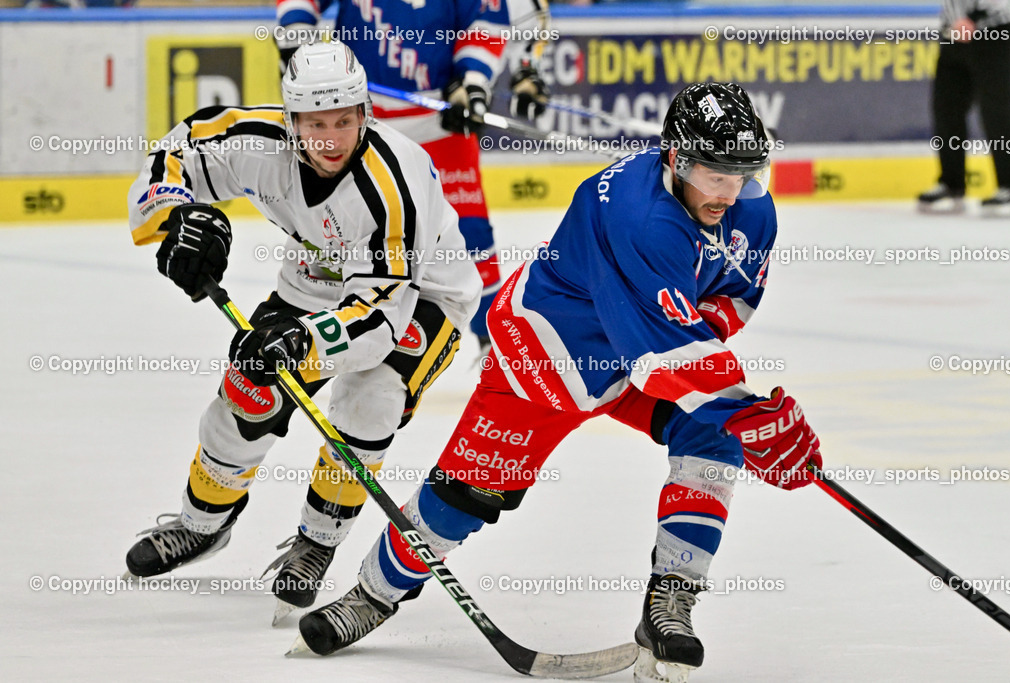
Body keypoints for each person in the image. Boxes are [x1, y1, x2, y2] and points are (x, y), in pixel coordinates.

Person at [289, 82, 823, 683]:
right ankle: (372, 595)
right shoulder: (639, 216)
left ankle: (670, 601)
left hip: (641, 356)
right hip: (548, 357)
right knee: (464, 497)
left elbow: (730, 302)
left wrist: (737, 413)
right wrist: (746, 412)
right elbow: (665, 351)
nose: (728, 193)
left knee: (714, 435)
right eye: (714, 175)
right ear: (675, 159)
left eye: (743, 175)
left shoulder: (752, 210)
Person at [123, 42, 481, 623]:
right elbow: (177, 150)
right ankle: (203, 523)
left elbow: (382, 315)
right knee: (249, 390)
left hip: (421, 297)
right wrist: (175, 216)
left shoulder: (396, 184)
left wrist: (302, 343)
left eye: (344, 121)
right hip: (316, 278)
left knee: (370, 401)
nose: (331, 139)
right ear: (292, 122)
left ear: (365, 113)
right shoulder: (259, 143)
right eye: (315, 124)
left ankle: (318, 540)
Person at [275, 0, 552, 353]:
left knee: (470, 232)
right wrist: (297, 35)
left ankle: (494, 345)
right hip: (362, 119)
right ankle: (323, 331)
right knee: (344, 224)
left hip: (437, 118)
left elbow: (484, 23)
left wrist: (470, 82)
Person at [918, 0, 1010, 216]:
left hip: (993, 30)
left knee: (995, 110)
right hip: (953, 33)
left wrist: (973, 18)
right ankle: (952, 184)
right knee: (946, 108)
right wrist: (956, 21)